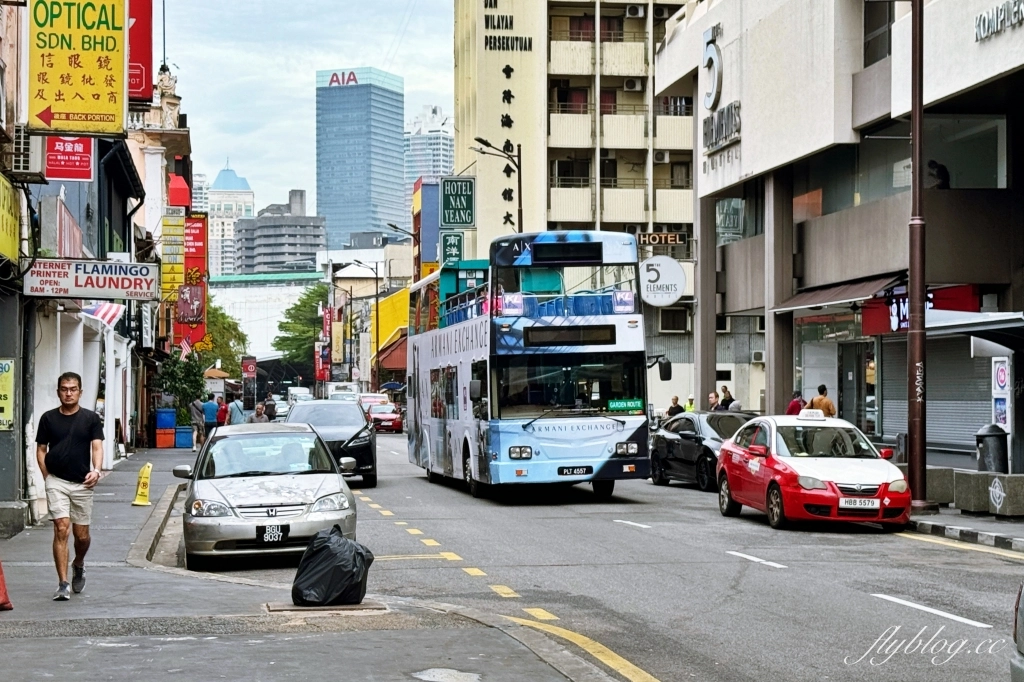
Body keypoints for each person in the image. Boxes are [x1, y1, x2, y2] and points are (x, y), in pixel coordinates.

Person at [35, 372, 104, 602]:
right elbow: (41, 450)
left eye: (73, 389)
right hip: (57, 481)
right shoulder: (48, 419)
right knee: (61, 527)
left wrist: (96, 469)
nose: (68, 392)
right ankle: (63, 583)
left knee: (81, 536)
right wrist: (48, 478)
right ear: (58, 392)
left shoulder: (91, 419)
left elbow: (96, 447)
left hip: (83, 483)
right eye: (64, 389)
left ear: (80, 392)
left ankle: (79, 563)